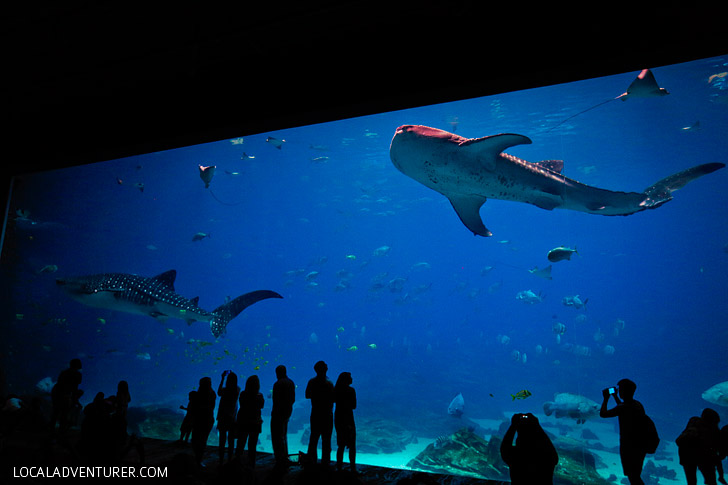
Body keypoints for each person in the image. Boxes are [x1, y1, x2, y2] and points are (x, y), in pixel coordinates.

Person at [600, 379, 647, 485]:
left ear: (624, 391)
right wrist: (615, 397)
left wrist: (606, 398)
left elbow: (603, 414)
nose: (619, 391)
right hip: (640, 444)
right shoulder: (637, 404)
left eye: (620, 389)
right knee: (635, 474)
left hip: (629, 445)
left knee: (633, 476)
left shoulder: (623, 407)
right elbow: (622, 407)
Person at [500, 412, 558, 484]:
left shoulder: (516, 455)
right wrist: (537, 425)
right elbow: (553, 454)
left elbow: (504, 448)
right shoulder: (546, 455)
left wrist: (513, 426)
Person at [305, 360, 335, 466]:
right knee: (326, 441)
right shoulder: (329, 383)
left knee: (313, 438)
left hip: (316, 414)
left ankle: (311, 462)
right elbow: (334, 398)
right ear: (324, 369)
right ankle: (325, 463)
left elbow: (307, 395)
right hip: (327, 415)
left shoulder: (312, 382)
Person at [50, 358, 84, 439]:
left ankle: (51, 430)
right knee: (64, 414)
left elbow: (59, 383)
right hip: (64, 394)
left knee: (56, 412)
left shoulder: (64, 372)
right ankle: (61, 432)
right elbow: (74, 388)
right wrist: (75, 400)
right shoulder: (77, 374)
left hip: (56, 392)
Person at [236, 374, 264, 467]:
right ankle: (251, 464)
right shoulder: (259, 396)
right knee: (252, 445)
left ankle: (237, 462)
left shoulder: (243, 394)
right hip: (255, 423)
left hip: (244, 421)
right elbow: (261, 406)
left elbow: (242, 404)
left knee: (241, 442)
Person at [271, 365, 295, 468]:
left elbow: (275, 400)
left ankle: (279, 459)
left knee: (277, 436)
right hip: (287, 411)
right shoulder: (291, 382)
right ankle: (285, 457)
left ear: (278, 373)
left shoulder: (277, 384)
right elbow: (293, 399)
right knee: (283, 435)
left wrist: (275, 411)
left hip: (278, 413)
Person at [334, 371, 357, 473]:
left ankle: (339, 467)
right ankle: (352, 468)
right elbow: (354, 406)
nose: (352, 379)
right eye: (350, 377)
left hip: (339, 418)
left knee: (341, 445)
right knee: (352, 445)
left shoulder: (336, 390)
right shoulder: (351, 390)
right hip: (348, 418)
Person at [191, 377, 216, 467]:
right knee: (202, 440)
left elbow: (194, 408)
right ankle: (198, 459)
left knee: (196, 439)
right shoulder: (212, 394)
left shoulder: (198, 395)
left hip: (200, 420)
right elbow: (212, 407)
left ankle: (197, 458)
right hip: (207, 420)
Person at [216, 370, 240, 464]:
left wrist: (222, 378)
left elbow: (219, 392)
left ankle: (221, 460)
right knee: (231, 440)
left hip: (223, 417)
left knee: (222, 440)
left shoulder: (225, 390)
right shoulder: (237, 389)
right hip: (232, 418)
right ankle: (230, 459)